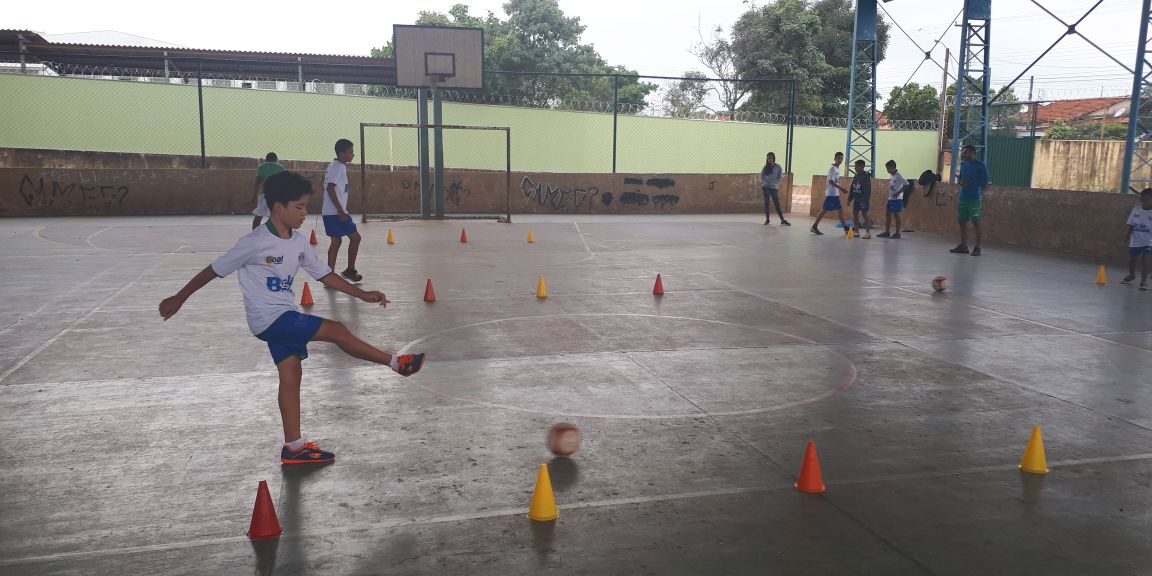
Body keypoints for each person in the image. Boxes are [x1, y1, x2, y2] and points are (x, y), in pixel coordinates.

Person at [158, 170, 425, 464]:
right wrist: (179, 297)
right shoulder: (254, 242)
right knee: (336, 330)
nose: (304, 214)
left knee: (291, 375)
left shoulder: (298, 242)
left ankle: (294, 447)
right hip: (269, 319)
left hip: (284, 315)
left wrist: (361, 294)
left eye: (306, 206)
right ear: (277, 208)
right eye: (299, 207)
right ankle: (396, 364)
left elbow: (324, 274)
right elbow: (213, 270)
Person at [324, 139, 363, 282]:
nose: (353, 155)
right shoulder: (338, 167)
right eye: (350, 152)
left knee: (336, 241)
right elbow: (330, 187)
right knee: (355, 238)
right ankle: (350, 270)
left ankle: (329, 274)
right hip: (335, 213)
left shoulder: (335, 166)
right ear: (342, 154)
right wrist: (341, 210)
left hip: (330, 212)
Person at [952, 144, 989, 256]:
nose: (963, 154)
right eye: (963, 152)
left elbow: (985, 184)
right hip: (963, 197)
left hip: (974, 198)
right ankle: (963, 246)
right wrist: (961, 182)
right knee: (962, 221)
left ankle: (977, 247)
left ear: (972, 153)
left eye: (966, 152)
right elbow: (960, 179)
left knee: (975, 222)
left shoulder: (980, 166)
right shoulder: (963, 165)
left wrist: (979, 192)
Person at [811, 151, 850, 236]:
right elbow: (831, 182)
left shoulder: (837, 169)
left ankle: (845, 229)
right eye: (838, 158)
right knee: (825, 210)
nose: (840, 160)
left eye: (841, 158)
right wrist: (841, 189)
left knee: (837, 211)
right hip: (831, 194)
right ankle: (814, 226)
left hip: (835, 194)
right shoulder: (832, 169)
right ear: (835, 159)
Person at [1122, 188, 1152, 291]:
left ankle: (1144, 281)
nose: (1144, 202)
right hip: (1136, 240)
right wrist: (1127, 235)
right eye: (1142, 199)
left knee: (1145, 259)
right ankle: (1131, 276)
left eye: (1147, 200)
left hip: (1149, 241)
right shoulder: (1136, 210)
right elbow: (1131, 224)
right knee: (1132, 260)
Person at [251, 152, 285, 230]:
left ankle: (255, 232)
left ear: (266, 160)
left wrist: (254, 196)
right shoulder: (281, 167)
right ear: (276, 160)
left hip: (264, 194)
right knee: (275, 215)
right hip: (277, 195)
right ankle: (274, 232)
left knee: (259, 215)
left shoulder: (261, 167)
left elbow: (258, 181)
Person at [877, 160, 908, 239]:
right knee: (887, 214)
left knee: (896, 214)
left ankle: (897, 233)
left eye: (888, 168)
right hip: (891, 198)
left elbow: (906, 184)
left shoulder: (899, 175)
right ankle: (887, 232)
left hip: (897, 199)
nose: (887, 170)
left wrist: (899, 192)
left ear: (893, 167)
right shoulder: (892, 175)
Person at [760, 152, 790, 226]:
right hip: (766, 187)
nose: (769, 160)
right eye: (768, 158)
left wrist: (775, 182)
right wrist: (764, 182)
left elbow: (780, 176)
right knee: (766, 203)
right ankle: (767, 219)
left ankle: (782, 220)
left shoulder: (778, 167)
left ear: (774, 158)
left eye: (771, 158)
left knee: (777, 203)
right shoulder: (765, 167)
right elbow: (761, 176)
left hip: (774, 188)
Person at [848, 159, 872, 239]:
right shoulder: (856, 175)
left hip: (863, 200)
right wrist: (850, 198)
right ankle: (857, 231)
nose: (855, 168)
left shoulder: (866, 176)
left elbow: (867, 189)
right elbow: (852, 187)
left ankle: (868, 232)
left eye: (856, 166)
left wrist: (864, 200)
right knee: (855, 214)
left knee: (864, 214)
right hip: (856, 199)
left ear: (862, 166)